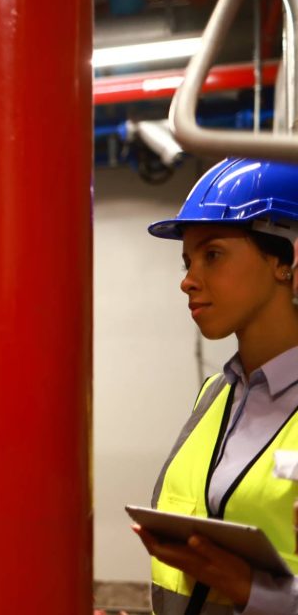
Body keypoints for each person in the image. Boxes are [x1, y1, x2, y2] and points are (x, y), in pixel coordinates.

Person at [138, 157, 298, 614]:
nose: (188, 281)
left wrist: (253, 589)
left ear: (285, 259)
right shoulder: (216, 394)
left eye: (213, 255)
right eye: (188, 262)